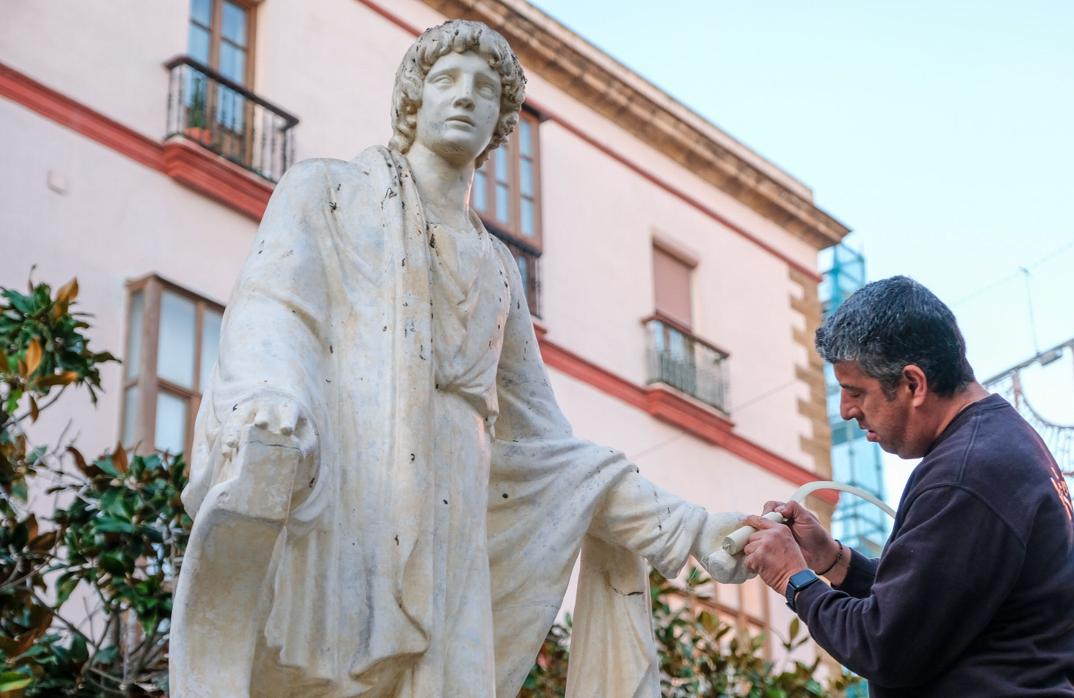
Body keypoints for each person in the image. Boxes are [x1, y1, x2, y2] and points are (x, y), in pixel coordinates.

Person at [170, 20, 746, 698]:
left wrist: (694, 529)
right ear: (413, 100)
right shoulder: (329, 193)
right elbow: (274, 306)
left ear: (502, 123)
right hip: (350, 489)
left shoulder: (497, 269)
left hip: (456, 526)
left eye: (484, 89)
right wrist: (271, 397)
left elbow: (557, 453)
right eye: (446, 81)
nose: (464, 97)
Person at [742, 276, 1074, 696]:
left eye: (856, 392)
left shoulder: (964, 476)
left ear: (913, 384)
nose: (847, 411)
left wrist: (794, 579)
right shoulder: (997, 446)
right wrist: (835, 561)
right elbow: (933, 605)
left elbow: (886, 647)